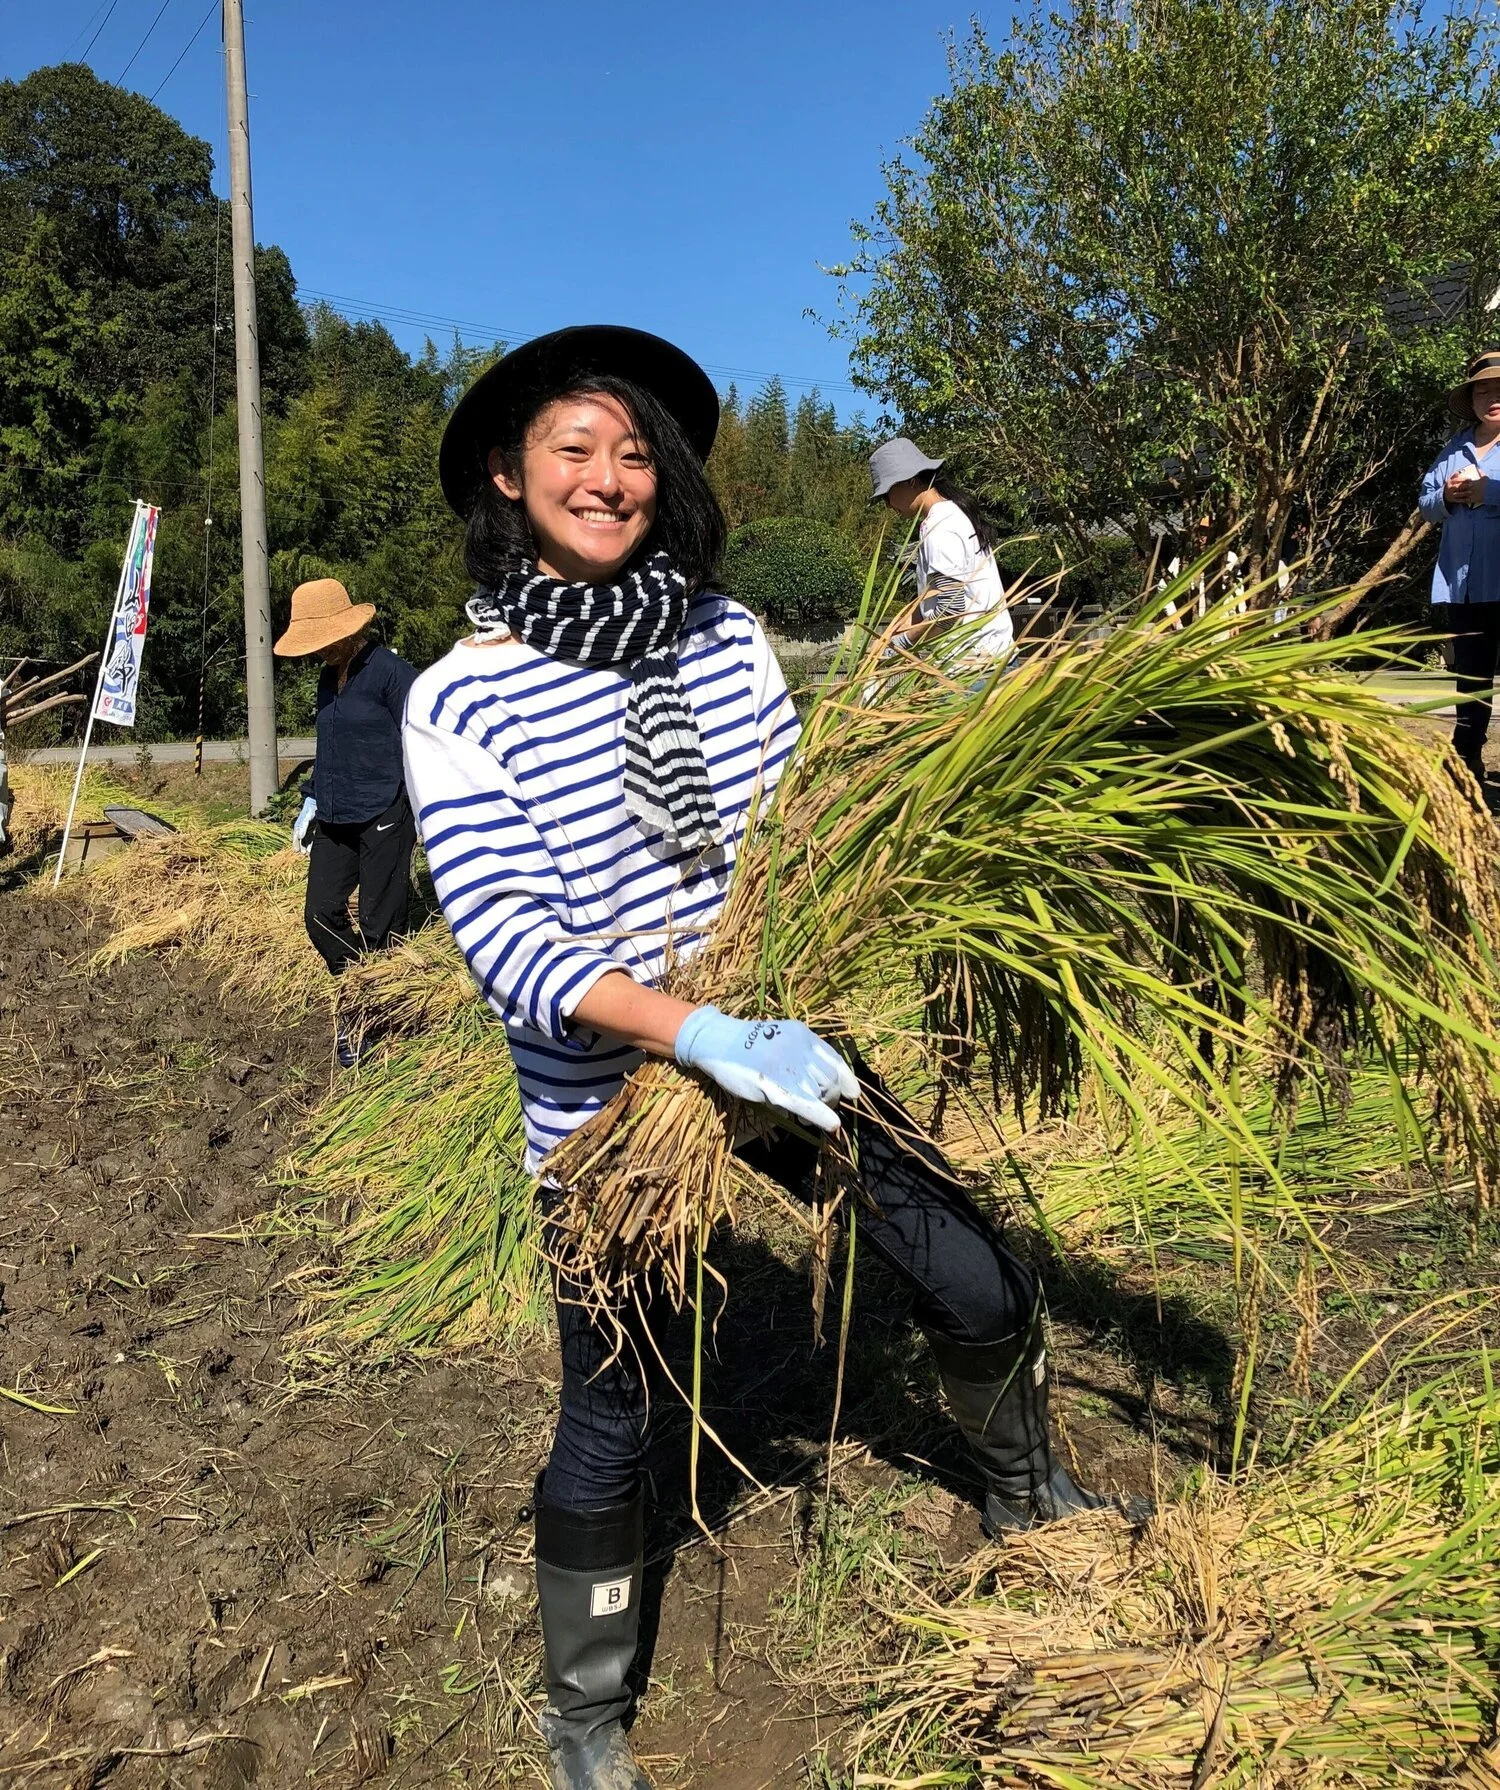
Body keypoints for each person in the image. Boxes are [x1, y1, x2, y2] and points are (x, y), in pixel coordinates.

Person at [403, 328, 1120, 1790]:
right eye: (574, 451)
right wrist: (693, 1030)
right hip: (609, 1095)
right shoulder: (455, 697)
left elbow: (786, 835)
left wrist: (834, 934)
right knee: (618, 1405)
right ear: (506, 472)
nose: (611, 479)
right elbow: (513, 948)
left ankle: (1025, 1492)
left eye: (634, 452)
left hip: (779, 1041)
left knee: (972, 1271)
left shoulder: (721, 640)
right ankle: (584, 1712)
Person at [273, 578, 417, 1061]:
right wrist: (312, 799)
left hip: (384, 810)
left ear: (345, 631)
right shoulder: (325, 677)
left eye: (321, 643)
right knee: (319, 916)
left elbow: (424, 741)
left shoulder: (391, 675)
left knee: (381, 926)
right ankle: (359, 991)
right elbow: (332, 743)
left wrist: (426, 806)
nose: (316, 654)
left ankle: (377, 1021)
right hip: (335, 812)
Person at [1419, 348, 1500, 792]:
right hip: (1462, 583)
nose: (1492, 397)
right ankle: (1465, 759)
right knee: (1470, 676)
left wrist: (1489, 491)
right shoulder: (1453, 449)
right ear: (1471, 400)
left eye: (1499, 389)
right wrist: (1448, 497)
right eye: (1483, 389)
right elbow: (1426, 506)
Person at [867, 436, 1014, 666]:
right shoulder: (951, 515)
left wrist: (899, 645)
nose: (887, 504)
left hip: (974, 671)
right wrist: (891, 635)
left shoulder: (941, 529)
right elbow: (933, 598)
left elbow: (949, 611)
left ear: (911, 481)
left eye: (887, 494)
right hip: (988, 662)